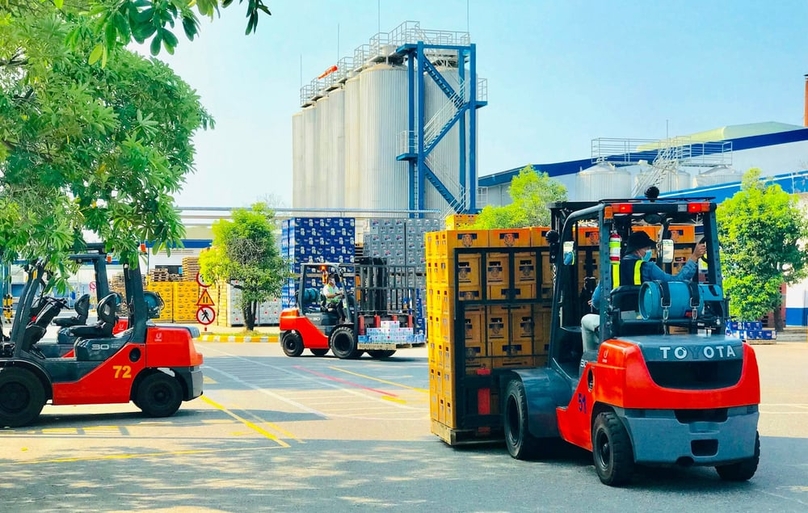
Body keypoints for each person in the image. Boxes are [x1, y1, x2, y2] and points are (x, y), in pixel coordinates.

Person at [580, 231, 707, 353]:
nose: (648, 251)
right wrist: (694, 257)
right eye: (646, 248)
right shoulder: (648, 267)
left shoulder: (609, 269)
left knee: (586, 320)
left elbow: (596, 302)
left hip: (617, 326)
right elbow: (676, 282)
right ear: (638, 250)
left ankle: (593, 356)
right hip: (646, 324)